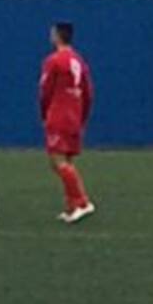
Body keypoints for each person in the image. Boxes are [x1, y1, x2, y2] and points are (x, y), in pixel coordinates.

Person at [40, 22, 95, 224]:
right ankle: (72, 206)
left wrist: (45, 113)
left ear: (56, 36)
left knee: (58, 161)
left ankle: (82, 202)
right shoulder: (79, 60)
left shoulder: (54, 60)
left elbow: (45, 90)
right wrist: (83, 117)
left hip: (59, 114)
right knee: (66, 161)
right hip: (75, 114)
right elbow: (89, 92)